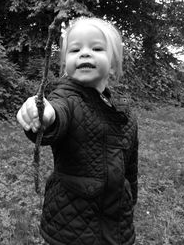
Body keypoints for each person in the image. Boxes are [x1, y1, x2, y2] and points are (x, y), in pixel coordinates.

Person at [16, 16, 139, 245]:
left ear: (113, 64)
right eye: (75, 50)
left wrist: (130, 196)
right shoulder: (67, 97)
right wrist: (44, 114)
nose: (84, 53)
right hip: (70, 224)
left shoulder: (125, 112)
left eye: (96, 48)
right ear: (66, 65)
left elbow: (130, 164)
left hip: (117, 223)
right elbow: (56, 116)